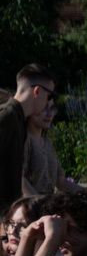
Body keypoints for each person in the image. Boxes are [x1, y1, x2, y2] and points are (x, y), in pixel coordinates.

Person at [0, 66, 58, 203]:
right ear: (37, 91)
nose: (48, 102)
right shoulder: (7, 117)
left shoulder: (18, 120)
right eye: (49, 95)